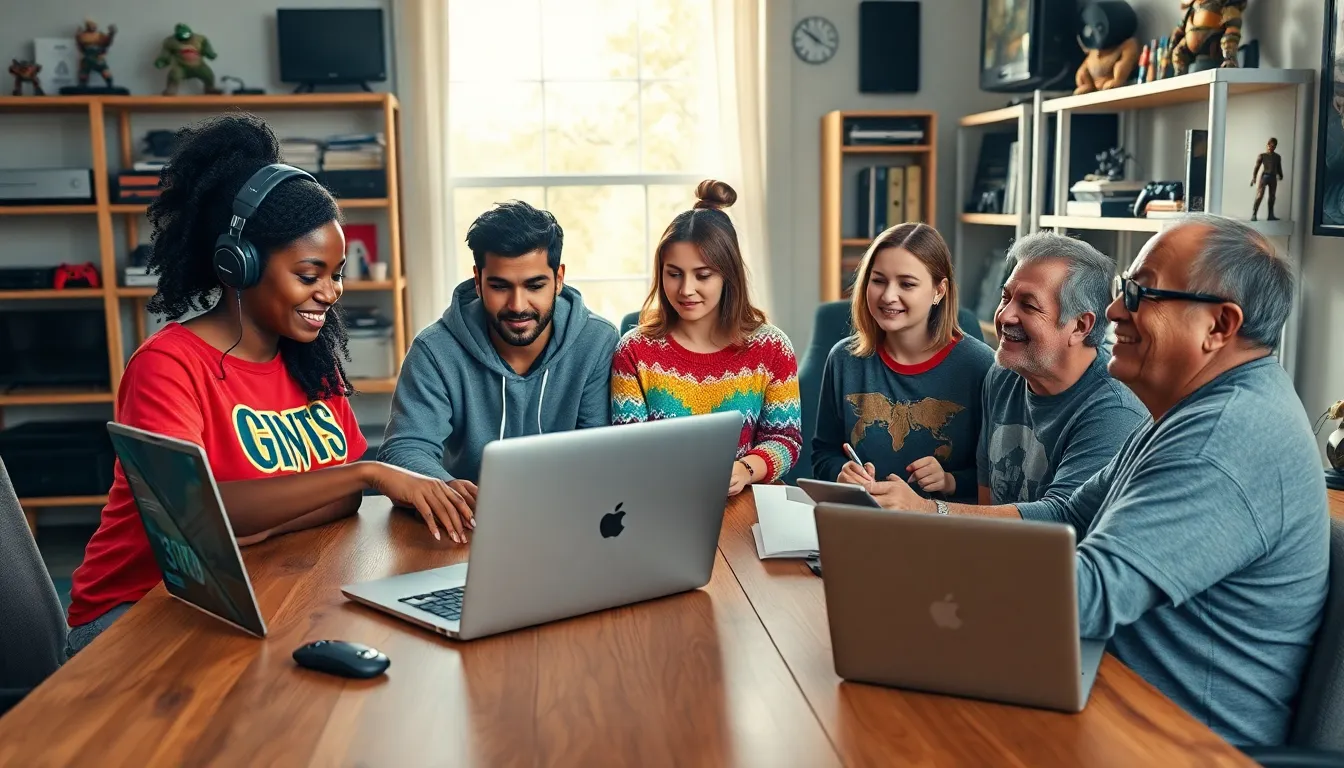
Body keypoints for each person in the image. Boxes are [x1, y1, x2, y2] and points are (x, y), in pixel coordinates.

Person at [862, 214, 1329, 748]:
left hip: (1176, 743)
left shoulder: (1224, 436)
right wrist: (927, 526)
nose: (1111, 311)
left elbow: (1089, 591)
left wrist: (905, 581)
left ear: (1218, 326)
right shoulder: (1190, 414)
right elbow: (1065, 516)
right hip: (1110, 698)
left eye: (1140, 293)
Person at [66, 115, 468, 656]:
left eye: (336, 273)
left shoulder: (311, 359)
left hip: (253, 591)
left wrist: (255, 523)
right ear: (240, 265)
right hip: (133, 614)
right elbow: (197, 520)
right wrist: (367, 472)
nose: (330, 292)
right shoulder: (167, 366)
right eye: (309, 275)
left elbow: (342, 501)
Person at [379, 200, 619, 507]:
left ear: (559, 279)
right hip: (467, 523)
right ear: (477, 281)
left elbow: (598, 455)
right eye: (500, 286)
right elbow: (404, 448)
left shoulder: (596, 342)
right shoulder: (435, 350)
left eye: (534, 286)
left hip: (568, 514)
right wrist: (450, 491)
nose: (517, 305)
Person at [610, 180, 801, 495]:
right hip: (661, 501)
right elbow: (630, 450)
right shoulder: (634, 351)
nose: (686, 290)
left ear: (728, 274)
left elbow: (786, 439)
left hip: (745, 502)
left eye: (703, 275)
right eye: (674, 274)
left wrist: (746, 468)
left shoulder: (772, 348)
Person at [813, 222, 994, 504]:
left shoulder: (982, 367)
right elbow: (823, 454)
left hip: (942, 534)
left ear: (939, 290)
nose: (887, 296)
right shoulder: (843, 360)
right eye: (878, 280)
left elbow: (1002, 482)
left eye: (907, 284)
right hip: (862, 524)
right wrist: (841, 473)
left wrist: (950, 481)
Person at [977, 232, 1147, 514]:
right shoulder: (1003, 373)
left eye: (1029, 305)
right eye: (1005, 297)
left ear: (1080, 326)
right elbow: (986, 498)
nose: (1005, 315)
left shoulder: (1115, 411)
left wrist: (929, 510)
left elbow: (1062, 518)